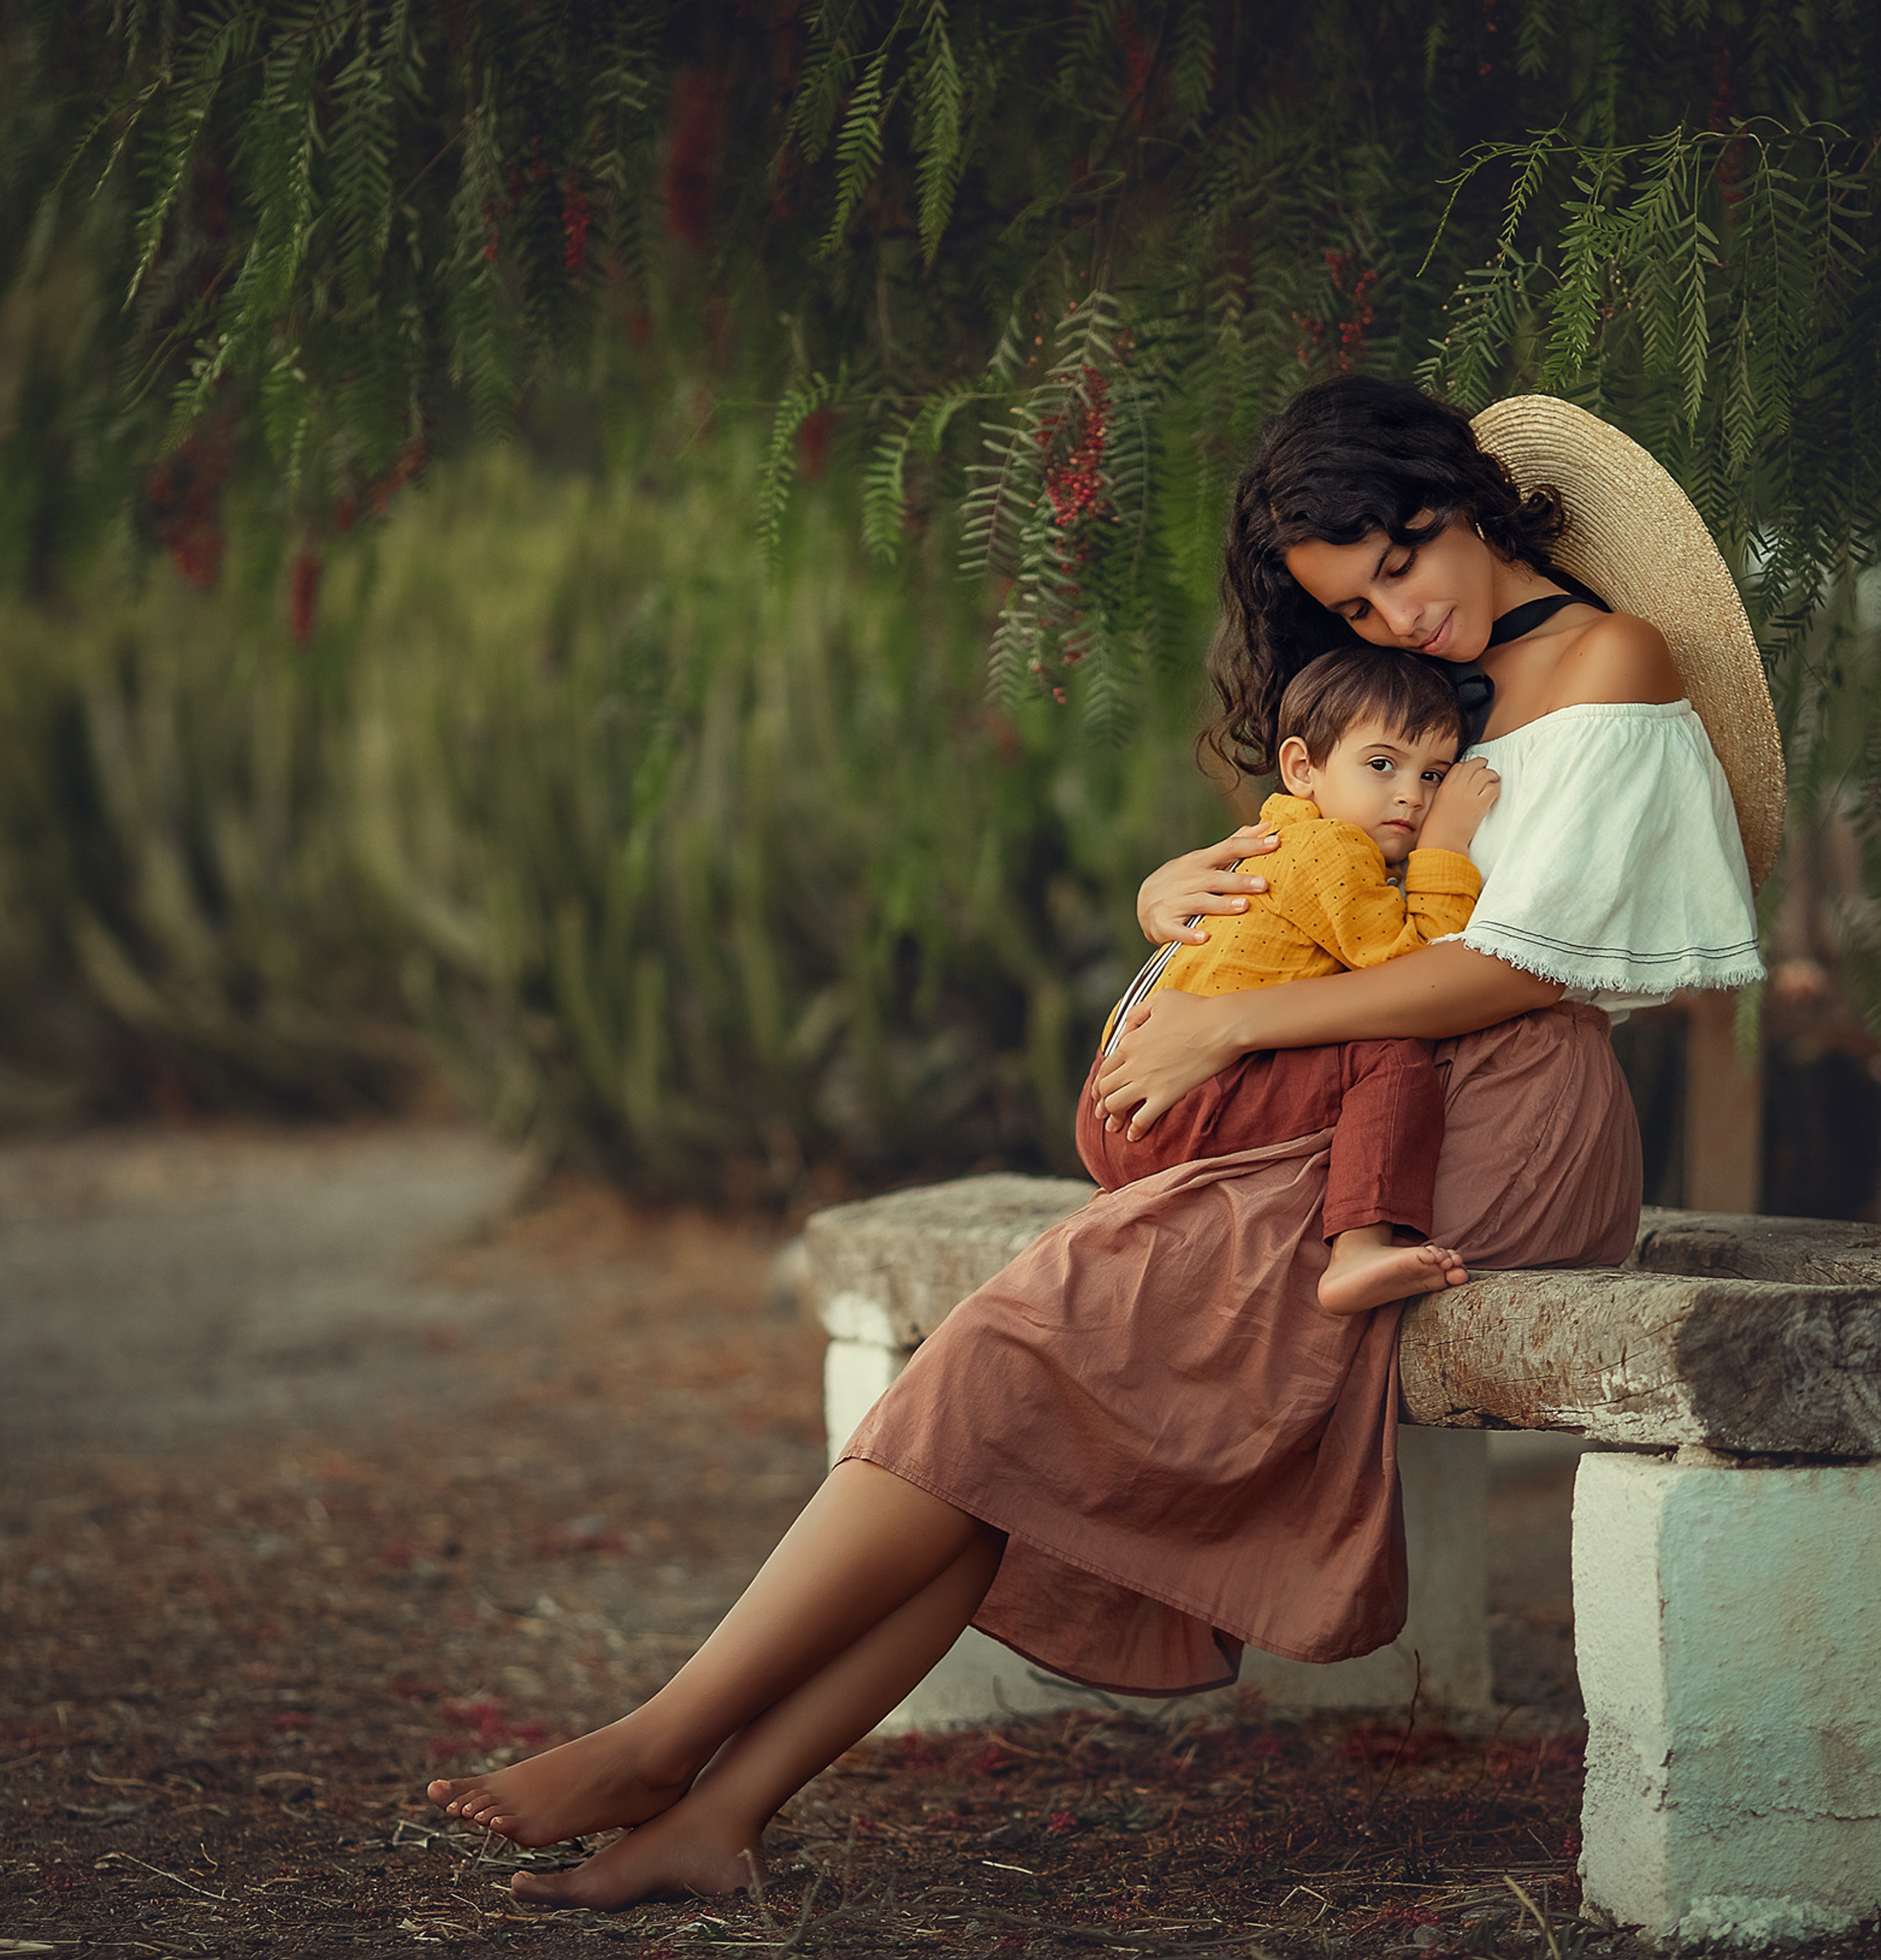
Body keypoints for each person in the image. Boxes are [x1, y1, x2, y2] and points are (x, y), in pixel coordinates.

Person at [426, 380, 1778, 1909]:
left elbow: (1529, 964)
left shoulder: (1607, 654)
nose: (1399, 620)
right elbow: (1322, 881)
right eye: (1355, 603)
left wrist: (1228, 1034)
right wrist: (1175, 898)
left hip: (1507, 1119)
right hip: (1361, 1105)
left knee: (1019, 1341)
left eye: (1402, 567)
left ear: (1456, 502)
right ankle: (712, 1806)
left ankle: (663, 1743)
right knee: (1004, 1393)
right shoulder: (1414, 697)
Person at [1082, 642, 1501, 1315]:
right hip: (1171, 1107)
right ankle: (1359, 1248)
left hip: (1116, 1098)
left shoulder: (1281, 837)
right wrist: (1446, 849)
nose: (1410, 795)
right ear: (1303, 767)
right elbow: (1415, 965)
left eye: (1433, 777)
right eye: (1383, 764)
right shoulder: (1333, 851)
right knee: (1388, 1058)